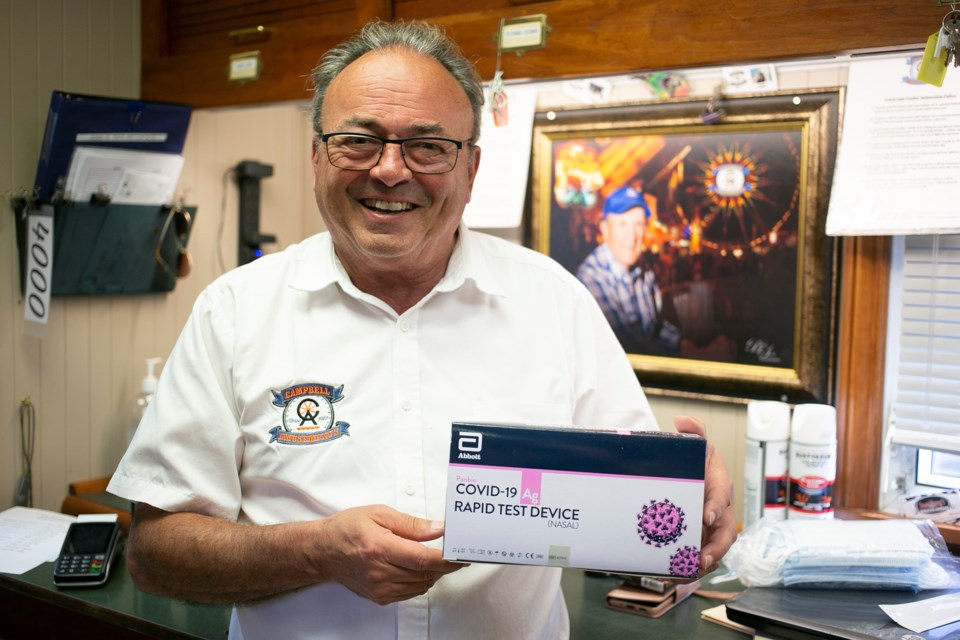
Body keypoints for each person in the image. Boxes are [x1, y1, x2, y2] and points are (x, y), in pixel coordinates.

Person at [108, 19, 736, 640]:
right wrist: (317, 552)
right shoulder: (234, 312)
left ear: (471, 170)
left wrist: (685, 507)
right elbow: (154, 554)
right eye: (358, 139)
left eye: (428, 146)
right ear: (315, 156)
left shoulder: (555, 303)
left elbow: (628, 520)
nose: (388, 170)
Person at [576, 185, 681, 356]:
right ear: (605, 229)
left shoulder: (644, 272)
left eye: (638, 224)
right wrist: (687, 355)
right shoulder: (590, 278)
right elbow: (626, 350)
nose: (632, 235)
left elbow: (655, 330)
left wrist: (685, 344)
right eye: (622, 223)